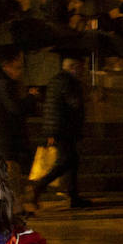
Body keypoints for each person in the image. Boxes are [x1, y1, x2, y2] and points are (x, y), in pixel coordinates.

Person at [30, 56, 92, 209]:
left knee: (72, 161)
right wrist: (87, 93)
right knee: (65, 162)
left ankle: (74, 196)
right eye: (81, 67)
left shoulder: (57, 79)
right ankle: (39, 185)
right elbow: (74, 103)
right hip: (65, 128)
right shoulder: (69, 82)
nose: (82, 70)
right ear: (73, 67)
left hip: (59, 127)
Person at [0, 52, 37, 191]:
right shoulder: (4, 85)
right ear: (6, 67)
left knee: (4, 173)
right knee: (10, 172)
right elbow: (15, 108)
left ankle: (12, 206)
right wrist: (31, 97)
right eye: (17, 68)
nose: (20, 72)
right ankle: (14, 207)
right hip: (6, 135)